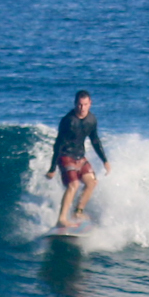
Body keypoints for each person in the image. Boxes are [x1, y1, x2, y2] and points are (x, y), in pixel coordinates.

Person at [47, 89, 110, 228]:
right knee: (73, 185)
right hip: (65, 155)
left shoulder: (92, 120)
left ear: (90, 104)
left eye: (85, 104)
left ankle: (78, 212)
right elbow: (58, 144)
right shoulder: (68, 121)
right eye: (79, 105)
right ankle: (61, 219)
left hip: (80, 156)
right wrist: (52, 168)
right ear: (75, 104)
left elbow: (95, 140)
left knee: (92, 182)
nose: (82, 108)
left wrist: (104, 160)